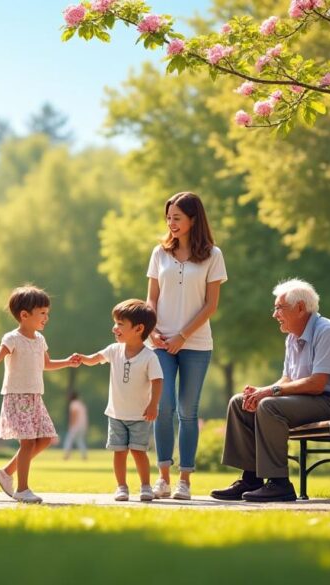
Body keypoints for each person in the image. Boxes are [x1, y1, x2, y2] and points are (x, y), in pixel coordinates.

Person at [211, 279, 330, 502]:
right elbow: (287, 379)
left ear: (300, 308)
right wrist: (261, 391)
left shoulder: (326, 331)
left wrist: (269, 394)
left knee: (270, 406)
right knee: (240, 402)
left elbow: (317, 384)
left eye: (279, 308)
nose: (274, 314)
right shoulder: (292, 337)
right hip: (314, 399)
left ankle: (279, 483)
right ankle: (251, 479)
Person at [146, 192, 227, 500]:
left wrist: (183, 335)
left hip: (196, 344)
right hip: (161, 342)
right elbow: (151, 298)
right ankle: (163, 478)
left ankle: (185, 480)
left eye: (177, 217)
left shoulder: (213, 255)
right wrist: (152, 330)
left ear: (194, 219)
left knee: (187, 412)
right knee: (163, 407)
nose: (171, 223)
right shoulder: (159, 253)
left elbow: (210, 305)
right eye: (168, 217)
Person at [0, 285, 80, 504]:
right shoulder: (12, 338)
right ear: (24, 315)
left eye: (47, 313)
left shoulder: (40, 340)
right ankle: (22, 489)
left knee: (46, 439)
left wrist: (68, 362)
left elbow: (47, 364)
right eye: (42, 313)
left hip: (35, 397)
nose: (47, 317)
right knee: (27, 443)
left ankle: (6, 473)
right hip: (17, 397)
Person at [74, 300, 164, 502]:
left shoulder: (150, 357)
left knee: (139, 452)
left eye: (120, 324)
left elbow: (158, 381)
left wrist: (153, 404)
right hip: (116, 414)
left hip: (140, 416)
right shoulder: (114, 350)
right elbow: (95, 358)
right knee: (119, 452)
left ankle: (145, 486)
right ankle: (121, 487)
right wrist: (83, 358)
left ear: (139, 328)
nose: (115, 328)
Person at [63, 391, 88, 460]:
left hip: (75, 426)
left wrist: (71, 425)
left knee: (69, 440)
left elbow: (74, 415)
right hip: (82, 425)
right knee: (80, 441)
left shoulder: (73, 404)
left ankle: (66, 455)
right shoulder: (81, 404)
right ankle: (84, 455)